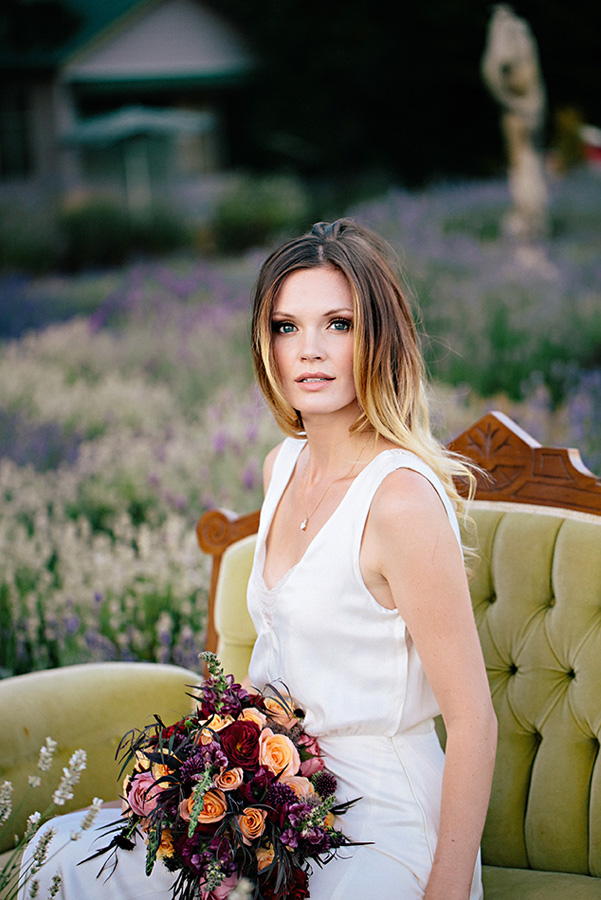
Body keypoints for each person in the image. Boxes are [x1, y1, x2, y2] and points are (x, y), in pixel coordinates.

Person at [20, 219, 496, 900]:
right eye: (285, 326)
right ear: (264, 342)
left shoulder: (399, 502)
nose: (309, 350)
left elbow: (474, 719)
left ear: (378, 337)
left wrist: (446, 890)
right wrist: (201, 782)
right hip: (275, 805)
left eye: (337, 324)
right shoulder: (282, 464)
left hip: (383, 817)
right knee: (86, 865)